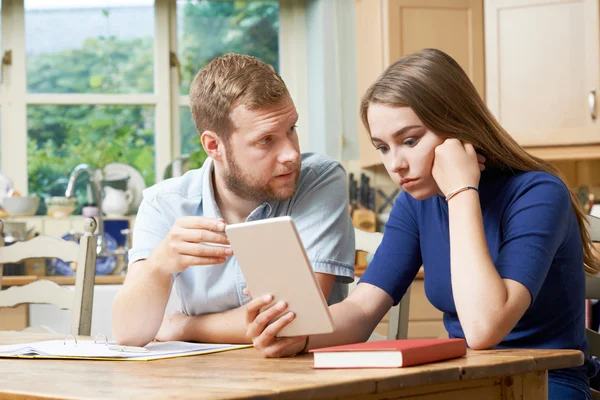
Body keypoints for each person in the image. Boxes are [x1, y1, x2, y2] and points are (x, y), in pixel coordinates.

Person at [244, 48, 600, 399]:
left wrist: (462, 189)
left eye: (410, 141)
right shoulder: (418, 203)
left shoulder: (538, 194)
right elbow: (363, 307)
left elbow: (483, 329)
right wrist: (302, 335)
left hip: (545, 383)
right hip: (468, 381)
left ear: (457, 128)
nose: (395, 164)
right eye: (383, 147)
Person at [112, 54, 355, 347]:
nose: (291, 154)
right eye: (266, 140)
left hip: (305, 375)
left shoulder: (319, 180)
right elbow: (127, 335)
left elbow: (294, 320)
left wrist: (185, 327)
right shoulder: (163, 204)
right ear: (214, 146)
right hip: (206, 382)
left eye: (291, 129)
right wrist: (158, 264)